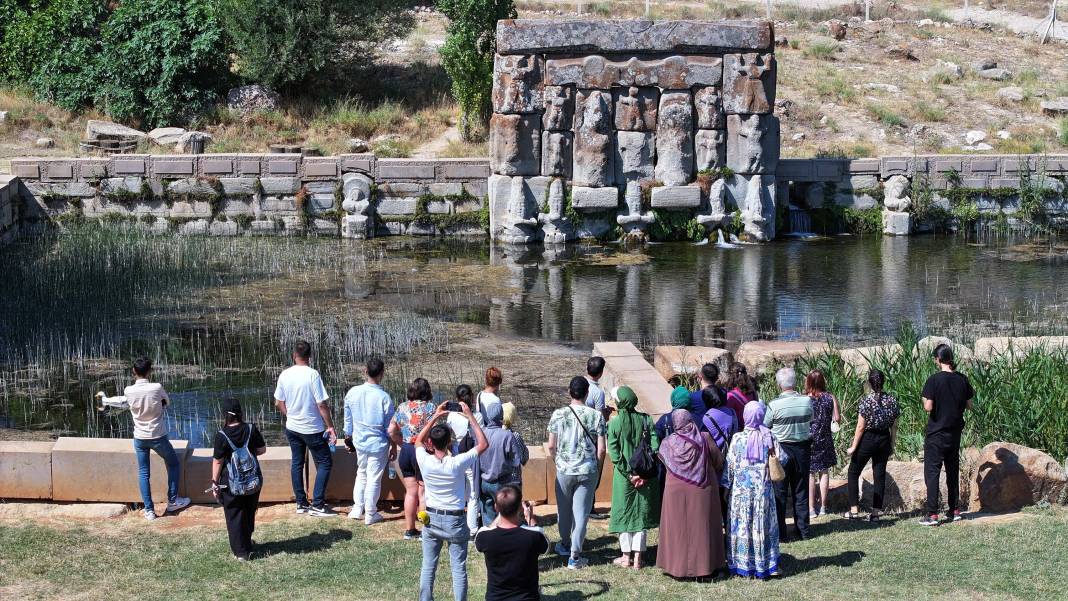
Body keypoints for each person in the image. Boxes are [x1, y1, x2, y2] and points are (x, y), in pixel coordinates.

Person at [416, 401, 488, 601]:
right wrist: (470, 416)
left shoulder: (425, 460)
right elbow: (483, 444)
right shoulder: (457, 462)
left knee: (428, 566)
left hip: (430, 517)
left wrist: (436, 416)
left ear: (431, 442)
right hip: (454, 520)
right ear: (449, 442)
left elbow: (418, 441)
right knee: (458, 568)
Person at [656, 409, 726, 579]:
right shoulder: (704, 438)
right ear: (690, 420)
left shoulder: (667, 442)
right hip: (703, 488)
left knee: (677, 528)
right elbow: (719, 461)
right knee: (703, 528)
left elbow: (664, 465)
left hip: (675, 491)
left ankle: (676, 568)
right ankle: (706, 567)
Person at [547, 376, 606, 570]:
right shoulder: (596, 416)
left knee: (563, 510)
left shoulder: (558, 414)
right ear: (587, 393)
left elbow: (551, 446)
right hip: (587, 469)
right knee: (581, 513)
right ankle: (575, 556)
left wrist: (558, 461)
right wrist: (597, 467)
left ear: (569, 391)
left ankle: (564, 544)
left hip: (564, 468)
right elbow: (602, 449)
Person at [123, 357, 190, 520]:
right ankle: (173, 500)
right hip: (157, 436)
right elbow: (167, 401)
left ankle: (149, 510)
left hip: (139, 437)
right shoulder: (156, 387)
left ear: (134, 372)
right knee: (173, 463)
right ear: (150, 371)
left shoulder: (128, 390)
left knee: (144, 473)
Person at [275, 340, 336, 517]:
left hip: (292, 427)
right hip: (312, 428)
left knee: (297, 462)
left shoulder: (285, 374)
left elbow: (279, 402)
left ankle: (301, 503)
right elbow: (322, 404)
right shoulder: (313, 374)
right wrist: (330, 426)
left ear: (294, 355)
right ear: (310, 356)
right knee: (325, 462)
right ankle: (317, 504)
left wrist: (289, 415)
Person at [722, 401, 782, 579]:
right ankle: (764, 564)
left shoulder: (737, 438)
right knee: (762, 527)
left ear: (745, 416)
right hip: (762, 494)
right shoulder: (769, 437)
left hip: (740, 493)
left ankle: (742, 564)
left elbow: (729, 465)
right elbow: (782, 460)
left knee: (742, 527)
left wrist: (726, 486)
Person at [919, 344, 974, 527]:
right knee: (952, 471)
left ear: (937, 359)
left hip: (936, 433)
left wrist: (925, 399)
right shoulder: (962, 379)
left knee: (932, 472)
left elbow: (928, 407)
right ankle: (954, 510)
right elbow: (969, 405)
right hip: (955, 432)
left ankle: (932, 514)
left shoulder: (934, 380)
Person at [606, 386, 660, 570]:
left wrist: (630, 474)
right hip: (645, 477)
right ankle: (638, 558)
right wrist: (642, 475)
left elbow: (614, 454)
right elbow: (654, 446)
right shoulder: (646, 419)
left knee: (624, 516)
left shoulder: (614, 423)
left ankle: (625, 556)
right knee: (640, 517)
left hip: (624, 479)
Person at [210, 398, 266, 561]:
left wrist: (214, 482)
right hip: (253, 480)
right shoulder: (251, 429)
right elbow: (262, 450)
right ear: (240, 413)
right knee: (249, 511)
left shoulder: (222, 435)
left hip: (230, 483)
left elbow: (218, 461)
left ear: (225, 416)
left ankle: (241, 552)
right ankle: (247, 543)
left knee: (234, 514)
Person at [343, 358, 395, 526]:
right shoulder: (384, 397)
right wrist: (393, 444)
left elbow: (348, 419)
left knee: (362, 473)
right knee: (374, 478)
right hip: (378, 442)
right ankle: (371, 512)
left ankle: (358, 508)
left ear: (365, 371)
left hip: (359, 440)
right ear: (382, 374)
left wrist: (348, 437)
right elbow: (390, 427)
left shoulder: (353, 392)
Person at [474, 485, 549, 601]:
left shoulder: (484, 536)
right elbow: (546, 547)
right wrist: (531, 519)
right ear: (520, 508)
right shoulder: (534, 535)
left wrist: (500, 510)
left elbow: (486, 533)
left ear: (496, 508)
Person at [764, 367, 813, 541]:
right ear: (796, 383)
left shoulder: (773, 405)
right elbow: (810, 420)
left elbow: (766, 425)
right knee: (801, 490)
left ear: (779, 385)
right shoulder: (807, 401)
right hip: (802, 449)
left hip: (781, 450)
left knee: (780, 493)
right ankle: (803, 531)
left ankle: (781, 533)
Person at [846, 369, 900, 522]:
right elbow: (894, 426)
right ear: (883, 382)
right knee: (879, 475)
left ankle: (854, 510)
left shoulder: (866, 401)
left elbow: (860, 427)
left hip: (868, 438)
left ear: (869, 383)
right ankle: (875, 513)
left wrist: (854, 446)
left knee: (853, 471)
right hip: (884, 438)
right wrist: (892, 443)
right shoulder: (892, 400)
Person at [389, 377, 437, 539]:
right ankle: (425, 529)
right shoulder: (430, 407)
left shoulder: (402, 407)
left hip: (407, 450)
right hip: (422, 451)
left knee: (410, 492)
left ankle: (409, 530)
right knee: (423, 492)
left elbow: (391, 430)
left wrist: (400, 443)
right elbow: (437, 432)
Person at [479, 402, 525, 526]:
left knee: (488, 516)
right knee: (506, 516)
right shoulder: (507, 435)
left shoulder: (481, 433)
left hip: (484, 482)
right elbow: (516, 460)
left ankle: (489, 538)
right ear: (501, 415)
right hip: (502, 482)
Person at [700, 385, 738, 538]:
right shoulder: (732, 413)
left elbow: (705, 442)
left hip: (715, 466)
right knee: (729, 502)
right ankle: (732, 534)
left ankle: (717, 538)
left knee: (716, 503)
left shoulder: (707, 417)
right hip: (732, 461)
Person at [805, 370, 840, 518]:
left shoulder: (805, 399)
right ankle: (824, 507)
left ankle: (811, 509)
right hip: (825, 438)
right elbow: (837, 418)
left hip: (809, 439)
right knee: (824, 472)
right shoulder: (830, 397)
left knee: (810, 473)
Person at [689, 362, 724, 427]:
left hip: (700, 431)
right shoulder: (723, 393)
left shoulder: (693, 396)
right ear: (716, 378)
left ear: (700, 376)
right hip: (719, 429)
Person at [585, 356, 611, 422]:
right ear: (601, 373)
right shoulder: (598, 393)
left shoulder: (577, 382)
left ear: (586, 368)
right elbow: (600, 418)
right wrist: (607, 413)